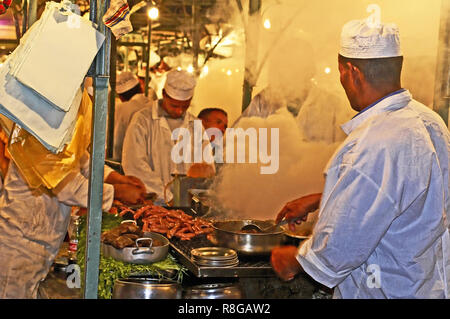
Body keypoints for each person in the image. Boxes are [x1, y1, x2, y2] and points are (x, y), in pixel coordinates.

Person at [270, 19, 450, 298]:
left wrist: (294, 259)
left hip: (388, 290)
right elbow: (406, 192)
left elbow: (339, 249)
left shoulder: (375, 140)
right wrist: (323, 197)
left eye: (341, 72)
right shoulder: (429, 121)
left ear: (351, 71)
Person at [0, 147, 146, 298]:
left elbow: (80, 159)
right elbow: (66, 186)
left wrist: (116, 178)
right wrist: (117, 191)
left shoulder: (60, 135)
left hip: (38, 241)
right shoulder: (39, 135)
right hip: (19, 244)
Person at [121, 69, 214, 203]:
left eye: (185, 106)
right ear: (164, 94)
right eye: (174, 105)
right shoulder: (142, 120)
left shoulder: (195, 125)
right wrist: (166, 197)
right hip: (153, 202)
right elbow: (134, 164)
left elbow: (207, 165)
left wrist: (200, 178)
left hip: (187, 204)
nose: (179, 111)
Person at [113, 71, 154, 161]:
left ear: (121, 97)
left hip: (132, 161)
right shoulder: (153, 105)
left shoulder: (122, 108)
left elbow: (117, 143)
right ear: (141, 89)